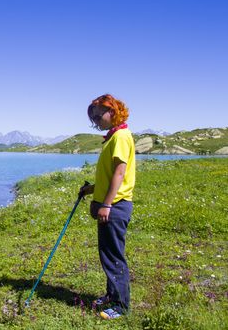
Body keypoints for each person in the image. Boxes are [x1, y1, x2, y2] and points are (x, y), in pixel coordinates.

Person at [79, 94, 136, 320]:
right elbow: (109, 175)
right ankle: (112, 295)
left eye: (98, 114)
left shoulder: (121, 136)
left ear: (112, 111)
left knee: (113, 256)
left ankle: (121, 306)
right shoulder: (113, 137)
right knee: (108, 254)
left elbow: (120, 173)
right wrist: (91, 189)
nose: (96, 120)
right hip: (110, 204)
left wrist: (106, 204)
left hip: (115, 206)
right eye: (93, 117)